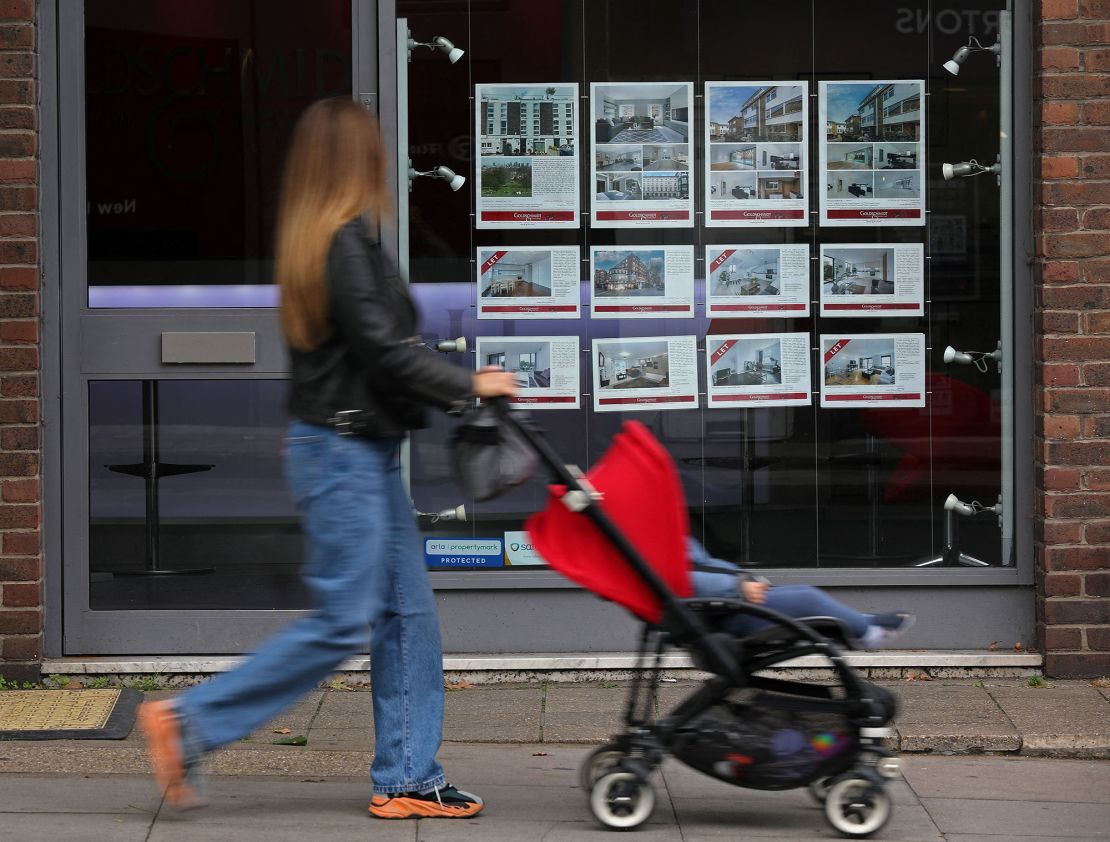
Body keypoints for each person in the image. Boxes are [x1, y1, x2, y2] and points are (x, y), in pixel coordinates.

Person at [137, 98, 517, 820]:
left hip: (359, 451)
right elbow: (383, 349)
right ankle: (188, 722)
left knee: (408, 615)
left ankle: (408, 775)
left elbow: (383, 346)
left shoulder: (343, 241)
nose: (385, 159)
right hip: (342, 455)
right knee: (345, 622)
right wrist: (469, 383)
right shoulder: (342, 244)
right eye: (375, 150)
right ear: (356, 159)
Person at [686, 538, 914, 648]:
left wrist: (741, 581)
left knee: (797, 594)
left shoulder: (664, 541)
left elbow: (703, 568)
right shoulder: (661, 545)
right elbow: (686, 580)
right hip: (725, 613)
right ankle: (867, 631)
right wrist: (737, 588)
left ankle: (862, 622)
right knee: (806, 597)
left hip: (723, 606)